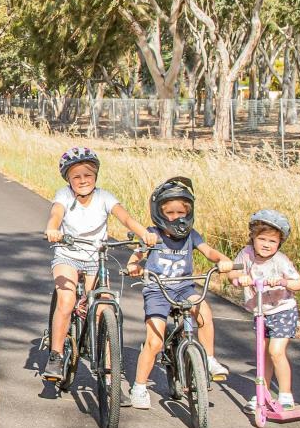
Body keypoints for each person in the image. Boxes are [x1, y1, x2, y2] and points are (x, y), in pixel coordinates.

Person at [41, 147, 154, 385]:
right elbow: (56, 214)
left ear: (96, 176)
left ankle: (113, 375)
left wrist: (144, 233)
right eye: (76, 176)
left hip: (96, 258)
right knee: (67, 300)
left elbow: (125, 218)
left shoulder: (105, 197)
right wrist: (53, 229)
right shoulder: (64, 196)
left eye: (88, 175)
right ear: (68, 180)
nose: (83, 180)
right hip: (68, 255)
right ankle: (56, 355)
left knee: (105, 308)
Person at [121, 177, 233, 408]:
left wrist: (223, 260)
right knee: (154, 341)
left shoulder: (192, 236)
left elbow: (209, 252)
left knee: (204, 313)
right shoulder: (154, 234)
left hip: (185, 287)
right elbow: (138, 255)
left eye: (181, 212)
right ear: (159, 213)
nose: (176, 217)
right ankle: (139, 387)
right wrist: (134, 265)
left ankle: (209, 359)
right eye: (170, 212)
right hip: (157, 290)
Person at [230, 209, 300, 408]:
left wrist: (282, 281)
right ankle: (261, 392)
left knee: (276, 351)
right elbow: (232, 272)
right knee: (263, 354)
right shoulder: (245, 255)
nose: (266, 245)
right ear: (253, 238)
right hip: (261, 312)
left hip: (282, 310)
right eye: (262, 239)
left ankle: (286, 394)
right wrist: (239, 279)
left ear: (279, 243)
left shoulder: (280, 260)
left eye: (272, 241)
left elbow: (299, 283)